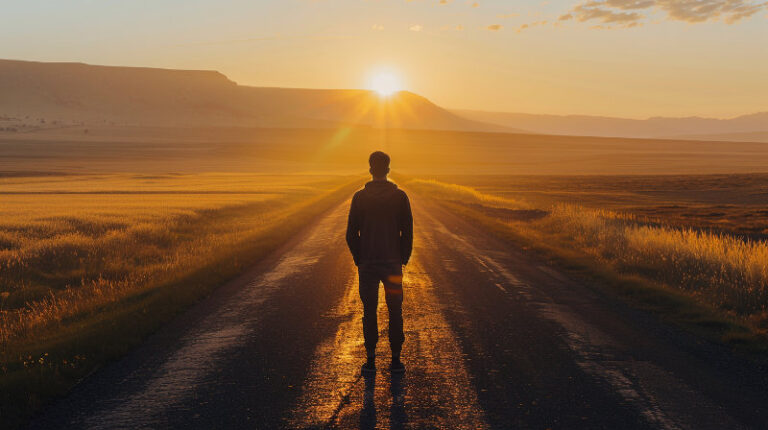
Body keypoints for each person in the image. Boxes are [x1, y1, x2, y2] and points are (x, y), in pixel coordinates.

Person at [346, 151, 413, 374]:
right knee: (395, 310)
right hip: (392, 264)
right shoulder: (400, 196)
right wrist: (402, 259)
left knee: (369, 310)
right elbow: (408, 232)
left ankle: (371, 358)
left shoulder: (359, 197)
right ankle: (395, 358)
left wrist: (360, 260)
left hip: (368, 265)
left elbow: (350, 234)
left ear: (370, 170)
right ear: (388, 170)